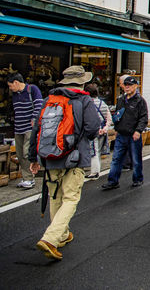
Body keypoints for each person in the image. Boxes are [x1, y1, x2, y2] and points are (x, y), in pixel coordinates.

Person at [29, 66, 100, 260]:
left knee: (55, 196)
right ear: (81, 82)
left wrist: (33, 158)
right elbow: (93, 127)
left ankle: (61, 235)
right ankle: (51, 238)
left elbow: (36, 130)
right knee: (70, 198)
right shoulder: (84, 100)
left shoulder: (48, 100)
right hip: (75, 157)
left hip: (50, 157)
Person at [102, 76, 148, 190]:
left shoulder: (140, 100)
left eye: (130, 85)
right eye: (125, 85)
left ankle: (138, 179)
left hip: (134, 134)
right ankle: (113, 181)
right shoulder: (121, 100)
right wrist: (117, 129)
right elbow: (117, 115)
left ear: (135, 86)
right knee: (116, 159)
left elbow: (143, 118)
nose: (127, 87)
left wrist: (138, 131)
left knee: (136, 159)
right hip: (121, 134)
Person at [7, 73, 44, 189]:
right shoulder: (15, 95)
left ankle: (29, 178)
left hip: (30, 127)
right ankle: (26, 178)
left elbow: (39, 105)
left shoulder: (32, 89)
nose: (10, 88)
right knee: (19, 153)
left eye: (10, 85)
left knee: (26, 152)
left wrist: (34, 119)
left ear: (16, 82)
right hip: (18, 128)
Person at [85, 83, 112, 178]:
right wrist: (105, 128)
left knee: (94, 152)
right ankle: (97, 170)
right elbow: (108, 118)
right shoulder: (102, 103)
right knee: (98, 151)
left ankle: (94, 172)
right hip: (102, 130)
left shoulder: (87, 104)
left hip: (93, 130)